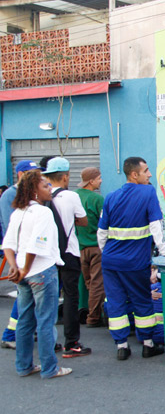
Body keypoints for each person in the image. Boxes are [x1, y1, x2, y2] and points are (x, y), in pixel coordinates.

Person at [97, 157, 165, 360]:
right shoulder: (147, 192)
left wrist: (107, 254)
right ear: (134, 174)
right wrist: (164, 252)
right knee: (142, 301)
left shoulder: (111, 196)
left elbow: (101, 232)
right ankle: (148, 344)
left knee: (116, 303)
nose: (149, 175)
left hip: (111, 261)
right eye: (146, 171)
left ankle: (122, 346)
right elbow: (156, 225)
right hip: (135, 261)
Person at [2, 170, 71, 378]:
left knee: (25, 320)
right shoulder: (42, 212)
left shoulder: (19, 212)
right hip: (41, 272)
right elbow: (36, 245)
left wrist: (15, 267)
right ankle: (50, 368)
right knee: (45, 321)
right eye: (45, 186)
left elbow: (8, 244)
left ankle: (24, 366)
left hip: (23, 274)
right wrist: (23, 268)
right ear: (34, 190)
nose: (49, 188)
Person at [43, 157, 91, 359]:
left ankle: (49, 342)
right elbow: (83, 221)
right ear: (65, 176)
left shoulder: (41, 197)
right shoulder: (70, 196)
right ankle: (71, 343)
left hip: (47, 255)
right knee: (71, 297)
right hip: (69, 253)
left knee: (48, 298)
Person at [0, 160, 38, 350]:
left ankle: (25, 330)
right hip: (22, 256)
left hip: (31, 257)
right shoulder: (10, 195)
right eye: (33, 173)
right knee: (25, 295)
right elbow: (12, 229)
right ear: (21, 174)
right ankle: (10, 334)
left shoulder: (31, 195)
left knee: (29, 296)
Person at [76, 167, 106, 328]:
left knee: (88, 282)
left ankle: (86, 309)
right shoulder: (96, 199)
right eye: (99, 178)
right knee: (97, 284)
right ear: (91, 181)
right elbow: (105, 223)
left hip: (79, 247)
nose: (101, 181)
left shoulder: (74, 196)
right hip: (96, 246)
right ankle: (93, 318)